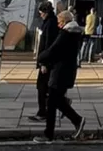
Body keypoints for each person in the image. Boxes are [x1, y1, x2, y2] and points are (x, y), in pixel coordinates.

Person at [33, 10, 86, 143]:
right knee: (55, 101)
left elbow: (54, 50)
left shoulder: (66, 34)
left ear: (65, 21)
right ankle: (76, 120)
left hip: (60, 72)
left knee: (52, 103)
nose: (58, 25)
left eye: (60, 22)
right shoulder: (74, 33)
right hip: (66, 71)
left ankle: (49, 134)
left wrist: (40, 58)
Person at [30, 1, 58, 122]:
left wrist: (44, 63)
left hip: (47, 62)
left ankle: (43, 112)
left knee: (42, 87)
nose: (40, 15)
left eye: (41, 12)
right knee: (44, 87)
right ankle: (58, 103)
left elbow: (48, 44)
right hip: (46, 60)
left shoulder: (50, 23)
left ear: (46, 12)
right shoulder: (49, 22)